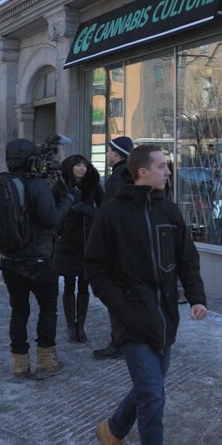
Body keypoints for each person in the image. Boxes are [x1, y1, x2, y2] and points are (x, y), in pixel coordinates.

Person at [85, 144, 207, 445]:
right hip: (133, 324)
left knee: (145, 391)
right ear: (142, 172)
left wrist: (196, 298)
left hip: (165, 323)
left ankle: (112, 430)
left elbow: (188, 258)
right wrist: (121, 305)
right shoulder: (112, 214)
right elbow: (95, 268)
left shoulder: (169, 210)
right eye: (163, 166)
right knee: (153, 397)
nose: (168, 172)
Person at [0, 138, 73, 380]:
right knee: (47, 309)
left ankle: (19, 365)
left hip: (10, 260)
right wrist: (69, 199)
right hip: (39, 261)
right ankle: (45, 361)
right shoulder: (37, 185)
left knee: (18, 311)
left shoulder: (4, 184)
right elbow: (51, 219)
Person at [52, 154, 103, 344]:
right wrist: (60, 230)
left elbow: (103, 206)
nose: (82, 168)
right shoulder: (60, 185)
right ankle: (70, 326)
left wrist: (91, 214)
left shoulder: (93, 184)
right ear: (70, 167)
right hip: (67, 241)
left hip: (87, 239)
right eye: (78, 165)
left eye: (84, 165)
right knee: (68, 284)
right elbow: (51, 212)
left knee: (84, 284)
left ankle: (80, 326)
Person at [93, 136, 135, 360]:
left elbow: (108, 214)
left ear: (116, 153)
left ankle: (119, 341)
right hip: (131, 245)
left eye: (109, 151)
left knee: (115, 295)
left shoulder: (117, 178)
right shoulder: (131, 175)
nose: (107, 154)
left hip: (118, 247)